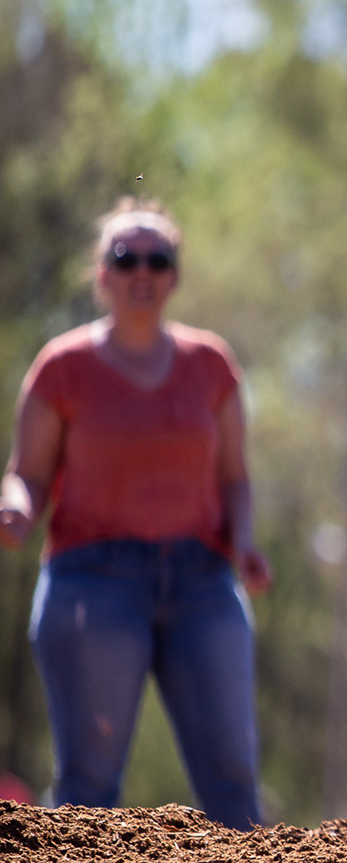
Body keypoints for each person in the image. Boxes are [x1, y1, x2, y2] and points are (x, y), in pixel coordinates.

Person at [0, 198, 272, 829]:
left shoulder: (211, 365)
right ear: (102, 274)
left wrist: (245, 542)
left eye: (158, 259)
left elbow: (234, 476)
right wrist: (15, 507)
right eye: (126, 259)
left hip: (203, 581)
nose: (142, 271)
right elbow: (28, 474)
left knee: (234, 783)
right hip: (92, 583)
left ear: (175, 274)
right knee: (88, 787)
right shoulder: (62, 367)